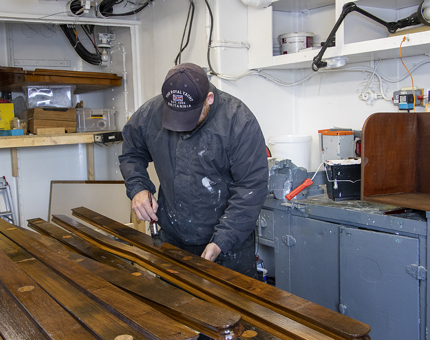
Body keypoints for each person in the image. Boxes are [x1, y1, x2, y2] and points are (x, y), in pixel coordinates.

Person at [119, 63, 268, 278]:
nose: (183, 126)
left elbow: (251, 187)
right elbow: (131, 152)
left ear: (209, 98)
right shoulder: (150, 113)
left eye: (190, 117)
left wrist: (221, 241)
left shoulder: (238, 121)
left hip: (227, 247)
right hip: (173, 241)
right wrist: (138, 188)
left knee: (231, 308)